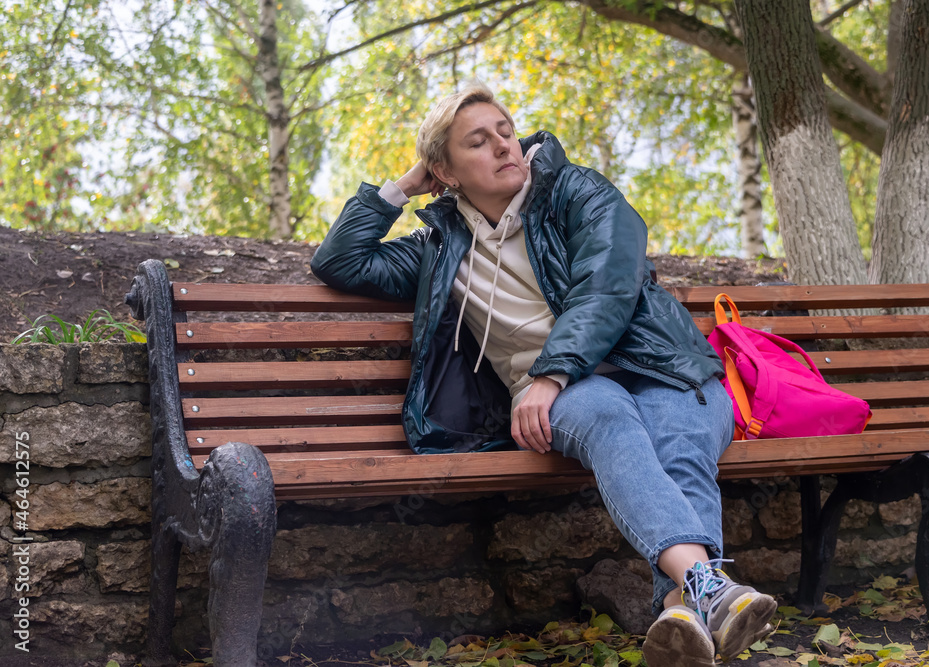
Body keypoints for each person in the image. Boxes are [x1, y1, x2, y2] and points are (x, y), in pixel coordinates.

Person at [311, 82, 776, 666]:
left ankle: (685, 607)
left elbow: (608, 286)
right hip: (576, 392)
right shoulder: (439, 248)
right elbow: (339, 260)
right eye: (478, 142)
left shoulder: (575, 191)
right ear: (445, 171)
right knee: (610, 420)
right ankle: (712, 591)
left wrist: (548, 376)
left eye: (506, 130)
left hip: (662, 367)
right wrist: (404, 185)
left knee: (680, 446)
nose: (505, 146)